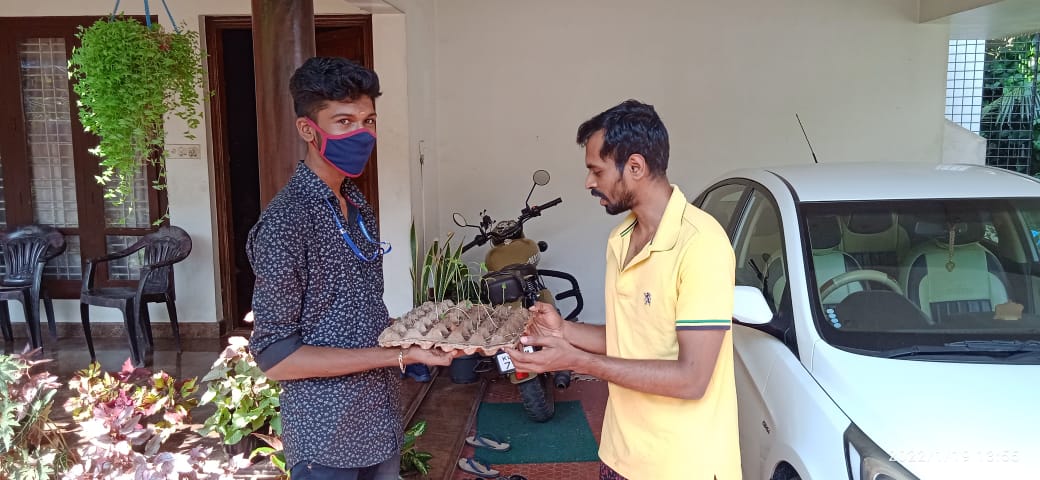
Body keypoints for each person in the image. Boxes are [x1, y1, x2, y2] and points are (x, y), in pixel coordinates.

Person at [506, 100, 741, 479]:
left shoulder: (701, 244)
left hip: (681, 466)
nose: (589, 182)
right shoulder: (621, 238)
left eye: (596, 170)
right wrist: (563, 330)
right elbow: (629, 339)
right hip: (619, 454)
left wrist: (576, 361)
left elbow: (692, 379)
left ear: (635, 167)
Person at [246, 56, 454, 480]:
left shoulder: (357, 206)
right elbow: (276, 357)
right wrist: (397, 355)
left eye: (368, 121)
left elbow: (352, 313)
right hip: (327, 439)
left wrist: (417, 336)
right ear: (308, 130)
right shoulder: (287, 222)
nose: (362, 134)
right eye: (344, 122)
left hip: (379, 422)